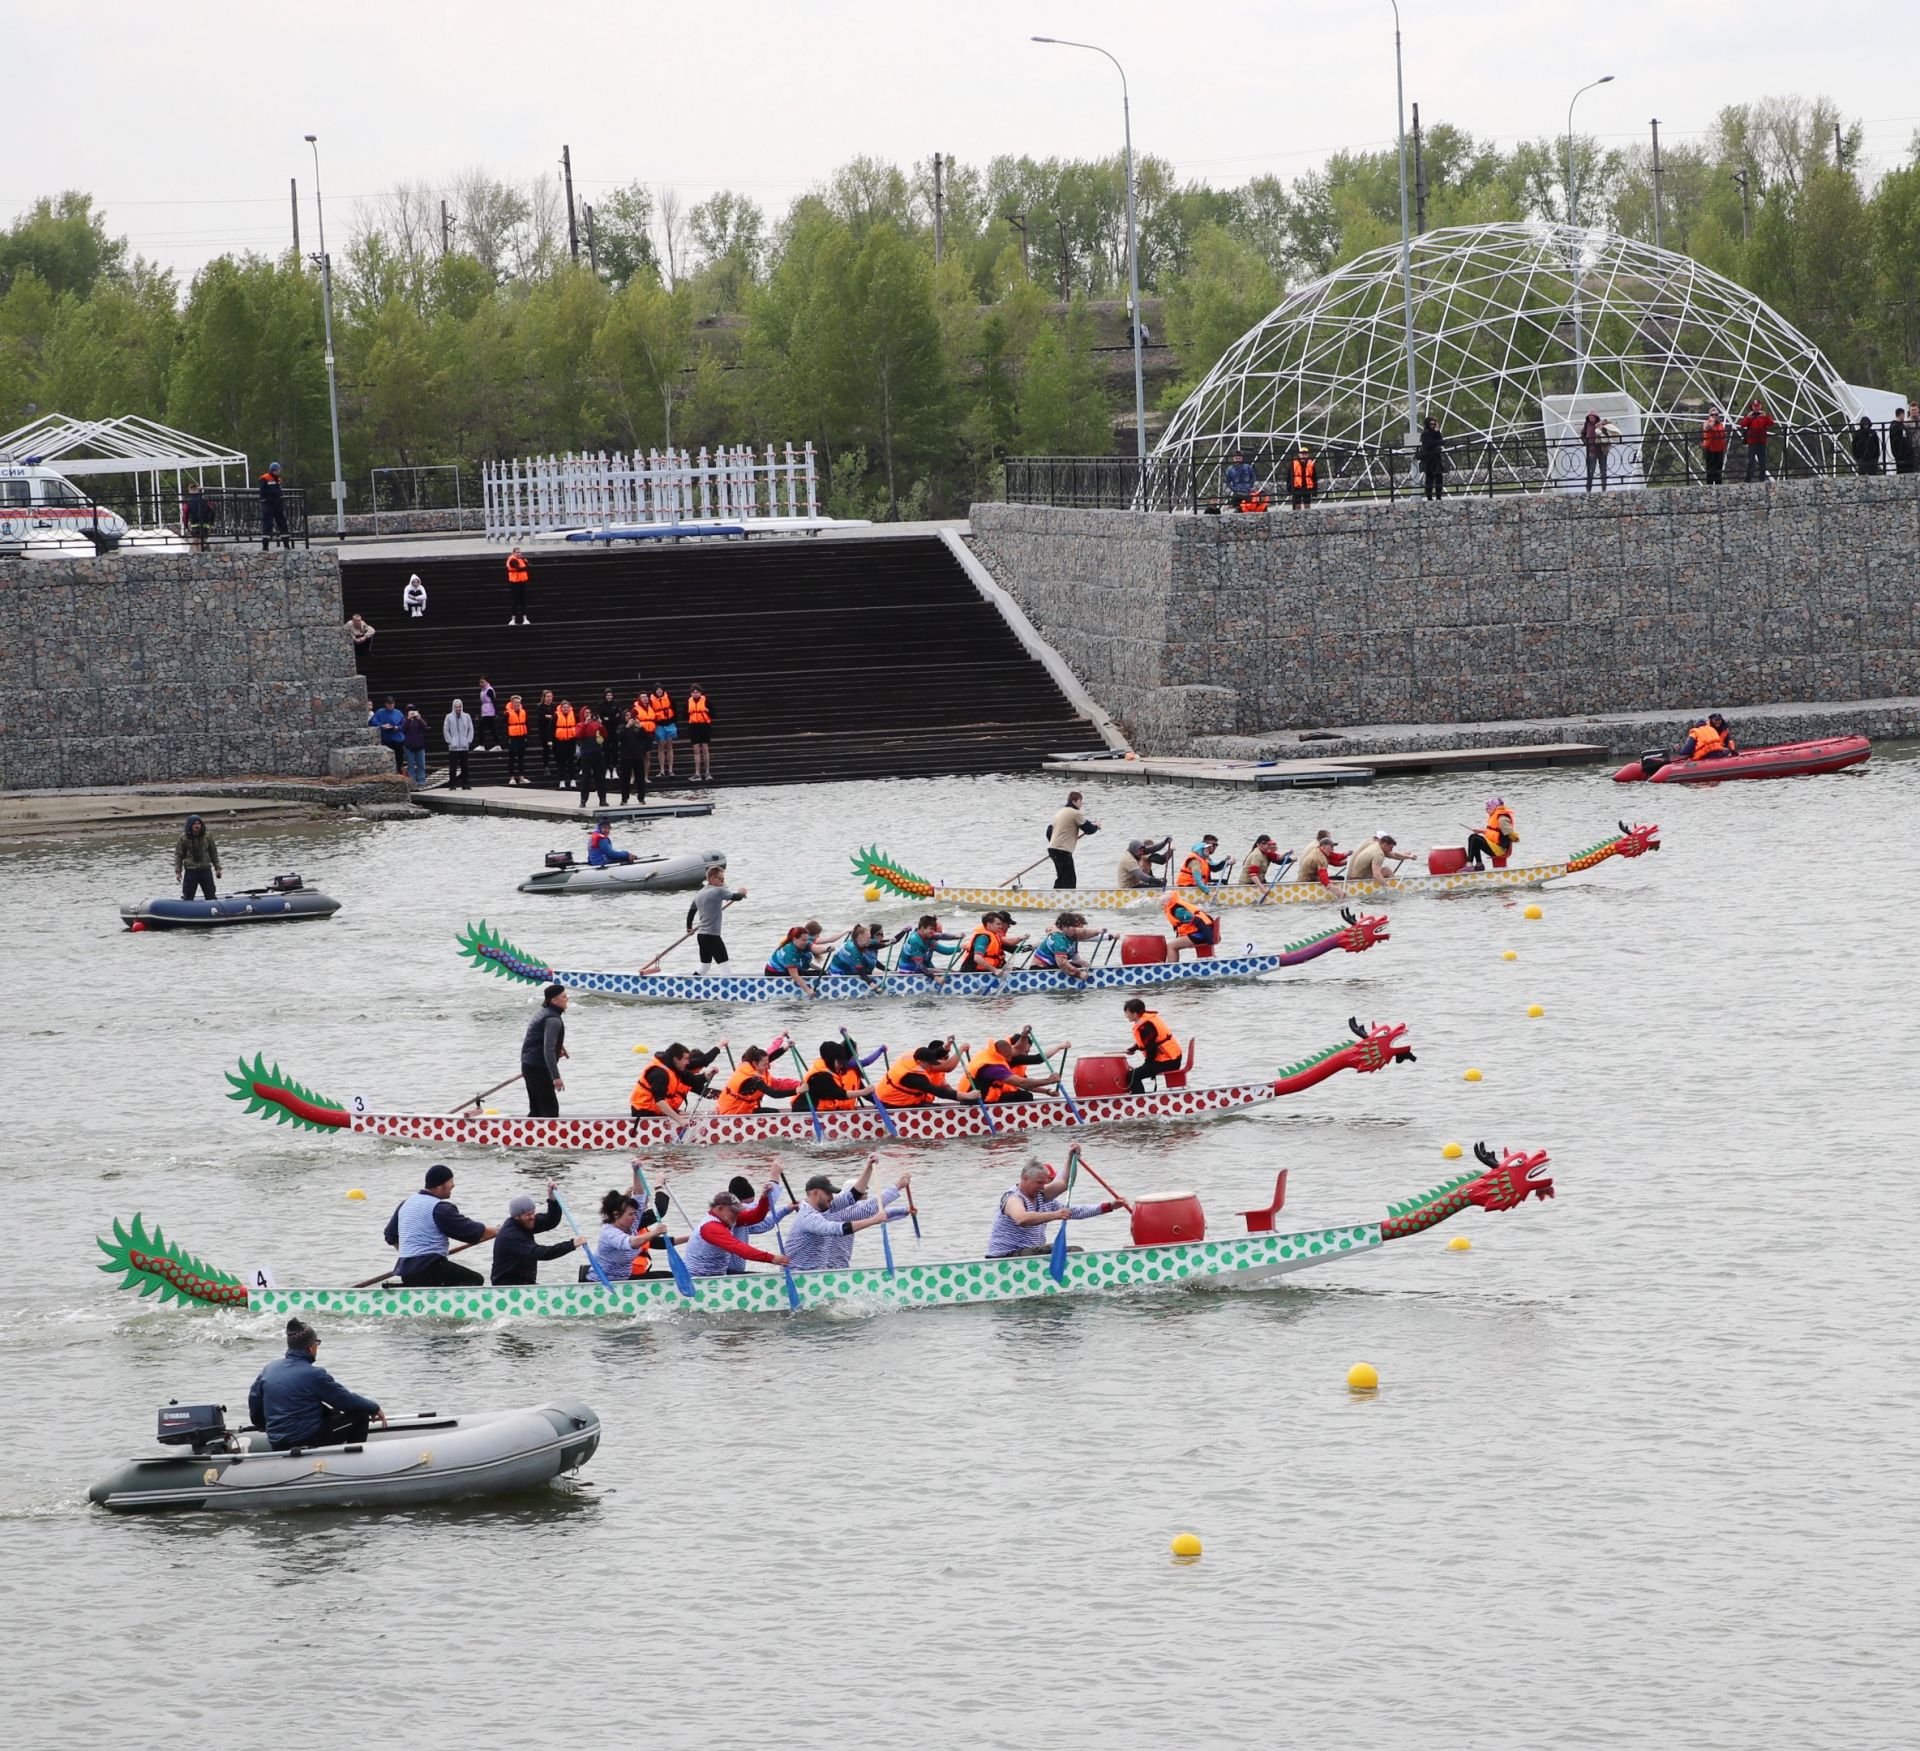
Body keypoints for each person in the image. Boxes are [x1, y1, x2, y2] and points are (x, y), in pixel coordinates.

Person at [248, 1319, 385, 1450]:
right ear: (310, 1347)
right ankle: (353, 1462)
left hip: (277, 1442)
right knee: (360, 1415)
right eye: (316, 1343)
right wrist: (373, 1407)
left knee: (330, 1412)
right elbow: (345, 1401)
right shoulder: (314, 1374)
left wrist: (263, 1425)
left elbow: (255, 1404)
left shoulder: (269, 1369)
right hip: (306, 1440)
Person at [382, 1165, 497, 1287]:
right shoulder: (439, 1208)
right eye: (450, 1181)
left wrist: (411, 1255)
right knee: (474, 1280)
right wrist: (498, 1231)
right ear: (439, 1185)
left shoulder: (406, 1203)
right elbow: (471, 1232)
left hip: (405, 1270)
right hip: (429, 1267)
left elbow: (390, 1235)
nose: (453, 1185)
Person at [787, 1165, 914, 1270]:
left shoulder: (825, 1207)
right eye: (828, 1193)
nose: (831, 1197)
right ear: (815, 1193)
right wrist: (875, 1219)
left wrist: (869, 1166)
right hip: (801, 1275)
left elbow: (852, 1196)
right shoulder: (810, 1217)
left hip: (821, 1272)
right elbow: (840, 1227)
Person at [985, 1160, 1118, 1258]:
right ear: (1025, 1178)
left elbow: (1065, 1185)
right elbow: (1022, 1218)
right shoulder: (1013, 1198)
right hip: (1005, 1257)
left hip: (1027, 1253)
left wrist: (1108, 1207)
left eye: (1045, 1183)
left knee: (1070, 1250)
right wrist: (1056, 1215)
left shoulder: (1042, 1198)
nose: (1043, 1187)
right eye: (1039, 1183)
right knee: (1073, 1252)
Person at [681, 1188, 790, 1277]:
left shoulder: (725, 1217)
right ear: (719, 1208)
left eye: (738, 1211)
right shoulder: (711, 1227)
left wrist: (764, 1198)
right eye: (733, 1211)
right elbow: (740, 1249)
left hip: (717, 1275)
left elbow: (756, 1216)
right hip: (697, 1279)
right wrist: (772, 1258)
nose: (737, 1215)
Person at [490, 1184, 578, 1285]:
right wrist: (572, 1244)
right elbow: (541, 1253)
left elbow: (551, 1221)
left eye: (533, 1213)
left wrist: (553, 1200)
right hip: (507, 1286)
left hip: (525, 1283)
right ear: (516, 1217)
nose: (532, 1217)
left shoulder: (527, 1221)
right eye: (528, 1215)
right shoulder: (511, 1235)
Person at [959, 1028, 1063, 1103]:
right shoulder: (994, 1067)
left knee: (1022, 1095)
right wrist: (1049, 1081)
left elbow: (1017, 1049)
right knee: (1025, 1096)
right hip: (975, 1101)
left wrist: (1024, 1036)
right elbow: (1023, 1083)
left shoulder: (989, 1053)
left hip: (969, 1096)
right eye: (1008, 1057)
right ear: (1002, 1054)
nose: (1009, 1060)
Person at [591, 1186, 668, 1282]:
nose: (635, 1217)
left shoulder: (632, 1224)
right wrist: (659, 1186)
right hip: (603, 1283)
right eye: (631, 1214)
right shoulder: (609, 1233)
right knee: (662, 1278)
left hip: (624, 1280)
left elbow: (639, 1196)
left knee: (667, 1276)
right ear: (616, 1215)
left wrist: (636, 1172)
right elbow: (630, 1243)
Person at [629, 1041, 724, 1119]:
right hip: (645, 1115)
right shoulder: (661, 1073)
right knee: (697, 1116)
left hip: (662, 1111)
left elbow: (703, 1089)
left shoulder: (678, 1072)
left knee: (699, 1114)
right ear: (676, 1060)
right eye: (700, 1068)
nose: (700, 1070)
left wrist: (708, 1076)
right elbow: (703, 1090)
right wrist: (680, 1121)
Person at [874, 1039, 977, 1107]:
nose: (931, 1067)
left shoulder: (915, 1055)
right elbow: (939, 1092)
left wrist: (946, 1046)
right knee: (933, 1106)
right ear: (920, 1062)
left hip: (897, 1099)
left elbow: (934, 1054)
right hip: (889, 1104)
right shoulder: (912, 1077)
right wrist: (967, 1096)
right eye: (929, 1064)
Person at [522, 982, 569, 1117]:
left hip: (529, 1065)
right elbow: (548, 1049)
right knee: (550, 1111)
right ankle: (550, 1136)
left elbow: (538, 1040)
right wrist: (556, 1077)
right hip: (538, 1069)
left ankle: (529, 1136)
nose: (567, 999)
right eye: (564, 996)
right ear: (554, 1000)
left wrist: (558, 1050)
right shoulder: (553, 1019)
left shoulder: (543, 1012)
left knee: (537, 1110)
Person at [686, 864, 744, 972]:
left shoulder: (699, 893)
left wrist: (689, 927)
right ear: (712, 879)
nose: (723, 881)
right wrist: (742, 892)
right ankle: (728, 988)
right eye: (721, 878)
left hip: (701, 936)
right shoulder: (718, 891)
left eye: (724, 879)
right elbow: (737, 897)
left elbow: (692, 911)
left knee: (704, 966)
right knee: (725, 968)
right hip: (712, 936)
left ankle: (690, 985)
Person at [714, 1044, 802, 1113]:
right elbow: (774, 1094)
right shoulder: (753, 1080)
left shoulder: (750, 1065)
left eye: (768, 1063)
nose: (768, 1067)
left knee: (772, 1111)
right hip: (734, 1112)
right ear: (755, 1064)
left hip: (737, 1108)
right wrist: (797, 1091)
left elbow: (770, 1058)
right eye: (765, 1064)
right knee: (774, 1112)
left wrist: (785, 1048)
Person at [1123, 998, 1182, 1092]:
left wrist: (1147, 1066)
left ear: (1135, 1014)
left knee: (1132, 1075)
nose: (1126, 1015)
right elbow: (1150, 1042)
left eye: (1127, 1013)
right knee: (1137, 1072)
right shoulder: (1146, 1020)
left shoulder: (1145, 1027)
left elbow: (1151, 1049)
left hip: (1169, 1061)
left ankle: (1139, 1101)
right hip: (1173, 1058)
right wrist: (1134, 1048)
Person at [794, 1039, 866, 1112]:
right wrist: (864, 1092)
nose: (841, 1065)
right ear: (831, 1060)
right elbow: (840, 1094)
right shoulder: (821, 1075)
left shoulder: (828, 1071)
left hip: (820, 1111)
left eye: (843, 1063)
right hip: (806, 1112)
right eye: (840, 1062)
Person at [1047, 791, 1099, 887]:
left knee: (1062, 877)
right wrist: (1096, 826)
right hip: (1062, 851)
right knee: (1069, 880)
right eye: (1080, 801)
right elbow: (1089, 829)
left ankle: (1055, 898)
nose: (1081, 803)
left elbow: (1048, 832)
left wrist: (1055, 843)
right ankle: (1066, 900)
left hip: (1052, 849)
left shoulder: (1060, 812)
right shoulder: (1075, 813)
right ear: (1074, 801)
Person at [1032, 911, 1101, 981]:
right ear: (1062, 927)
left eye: (1074, 926)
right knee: (1075, 969)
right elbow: (1062, 963)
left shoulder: (1071, 932)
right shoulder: (1058, 939)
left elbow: (1085, 933)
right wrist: (1079, 974)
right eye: (1070, 926)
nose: (1073, 929)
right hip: (1040, 968)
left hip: (1053, 965)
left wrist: (1098, 931)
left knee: (1077, 966)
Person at [958, 910, 1029, 975]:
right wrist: (995, 970)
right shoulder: (983, 938)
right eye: (998, 924)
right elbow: (977, 958)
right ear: (989, 924)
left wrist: (1021, 938)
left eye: (1001, 924)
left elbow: (1011, 943)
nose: (1000, 927)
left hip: (986, 970)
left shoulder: (995, 935)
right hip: (973, 972)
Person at [894, 915, 960, 980]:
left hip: (915, 965)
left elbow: (942, 936)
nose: (933, 932)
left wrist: (957, 936)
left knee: (949, 971)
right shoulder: (915, 941)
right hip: (908, 969)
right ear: (922, 928)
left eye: (934, 929)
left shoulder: (926, 934)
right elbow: (919, 966)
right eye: (931, 929)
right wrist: (936, 978)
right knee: (946, 973)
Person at [174, 812, 222, 900]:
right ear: (190, 825)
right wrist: (178, 872)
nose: (197, 826)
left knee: (211, 895)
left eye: (199, 823)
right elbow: (179, 856)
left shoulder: (207, 836)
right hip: (191, 871)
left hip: (205, 870)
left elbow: (213, 853)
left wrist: (217, 868)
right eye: (195, 824)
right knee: (188, 896)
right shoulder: (184, 838)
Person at [1162, 889, 1218, 959]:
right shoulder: (1174, 906)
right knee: (1173, 944)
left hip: (1200, 935)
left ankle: (1171, 968)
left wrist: (1210, 940)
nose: (1162, 894)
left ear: (1168, 900)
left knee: (1171, 946)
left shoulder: (1177, 910)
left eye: (1164, 894)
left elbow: (1198, 920)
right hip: (1200, 933)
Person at [1465, 798, 1518, 870]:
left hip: (1499, 850)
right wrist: (1481, 831)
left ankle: (1469, 865)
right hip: (1495, 846)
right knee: (1475, 838)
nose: (1486, 810)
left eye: (1488, 807)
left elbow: (1511, 834)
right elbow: (1495, 832)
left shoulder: (1502, 818)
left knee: (1474, 838)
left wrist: (1515, 838)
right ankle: (1479, 864)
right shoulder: (1497, 816)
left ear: (1495, 807)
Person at [766, 925, 820, 991]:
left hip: (784, 970)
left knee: (817, 972)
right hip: (774, 973)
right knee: (806, 973)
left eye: (807, 940)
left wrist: (821, 970)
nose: (806, 942)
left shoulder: (800, 945)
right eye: (804, 940)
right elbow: (794, 975)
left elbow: (808, 964)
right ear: (795, 939)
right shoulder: (790, 951)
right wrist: (808, 990)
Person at [574, 708, 609, 810]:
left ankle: (602, 799)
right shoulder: (580, 725)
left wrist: (601, 725)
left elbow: (605, 735)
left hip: (597, 753)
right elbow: (579, 735)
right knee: (586, 778)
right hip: (586, 754)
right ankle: (583, 800)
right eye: (586, 713)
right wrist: (585, 724)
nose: (588, 715)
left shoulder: (596, 724)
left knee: (600, 778)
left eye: (589, 713)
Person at [616, 709, 650, 806]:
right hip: (625, 757)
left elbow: (647, 737)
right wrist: (627, 727)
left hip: (638, 756)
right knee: (625, 779)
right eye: (627, 715)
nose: (629, 717)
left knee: (640, 778)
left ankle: (641, 798)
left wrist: (641, 727)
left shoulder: (637, 728)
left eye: (630, 716)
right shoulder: (622, 727)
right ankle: (624, 799)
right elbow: (618, 737)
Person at [443, 697, 475, 790]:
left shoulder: (466, 716)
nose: (458, 708)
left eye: (459, 707)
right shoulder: (448, 717)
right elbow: (446, 729)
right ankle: (452, 784)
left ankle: (465, 784)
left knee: (465, 766)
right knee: (453, 767)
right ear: (453, 707)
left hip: (464, 746)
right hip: (453, 747)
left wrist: (468, 740)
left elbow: (470, 728)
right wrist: (450, 741)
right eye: (456, 707)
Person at [259, 461, 291, 550]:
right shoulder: (265, 478)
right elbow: (262, 492)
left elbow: (279, 490)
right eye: (278, 469)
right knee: (268, 524)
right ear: (276, 469)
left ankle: (286, 544)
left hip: (278, 504)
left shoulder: (278, 479)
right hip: (268, 504)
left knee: (282, 523)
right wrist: (272, 495)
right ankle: (265, 546)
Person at [685, 684, 714, 781]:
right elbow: (684, 715)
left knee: (705, 749)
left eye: (697, 692)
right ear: (691, 693)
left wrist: (707, 710)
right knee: (696, 751)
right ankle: (697, 773)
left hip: (704, 726)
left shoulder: (706, 701)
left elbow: (714, 713)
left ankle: (707, 773)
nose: (695, 694)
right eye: (693, 692)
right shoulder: (688, 702)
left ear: (700, 693)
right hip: (694, 727)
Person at [1739, 399, 1773, 482]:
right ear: (1752, 407)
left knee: (1762, 461)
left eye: (1758, 406)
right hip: (1752, 442)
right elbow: (1742, 425)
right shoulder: (1750, 417)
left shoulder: (1763, 416)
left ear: (1760, 406)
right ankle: (1748, 478)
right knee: (1751, 461)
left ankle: (1762, 478)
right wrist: (1748, 417)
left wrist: (1765, 416)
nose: (1756, 408)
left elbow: (1771, 423)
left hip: (1761, 441)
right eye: (1755, 406)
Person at [648, 684, 677, 779]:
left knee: (669, 746)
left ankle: (670, 770)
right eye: (657, 690)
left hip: (669, 724)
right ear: (655, 691)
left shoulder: (668, 697)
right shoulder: (651, 700)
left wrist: (674, 721)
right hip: (659, 725)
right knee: (661, 747)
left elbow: (674, 708)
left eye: (660, 689)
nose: (659, 691)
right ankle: (662, 770)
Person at [1417, 415, 1447, 500]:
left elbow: (1441, 441)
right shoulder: (1425, 433)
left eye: (1434, 424)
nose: (1433, 426)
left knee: (1439, 477)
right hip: (1428, 459)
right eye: (1431, 424)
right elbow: (1429, 444)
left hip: (1436, 458)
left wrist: (1437, 431)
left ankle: (1438, 496)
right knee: (1429, 478)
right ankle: (1429, 497)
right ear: (1427, 424)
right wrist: (1436, 440)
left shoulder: (1434, 432)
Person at [1581, 411, 1612, 492]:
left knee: (1603, 470)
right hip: (1592, 451)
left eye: (1592, 417)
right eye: (1590, 418)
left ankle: (1604, 489)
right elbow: (1582, 435)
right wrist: (1586, 443)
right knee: (1591, 471)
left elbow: (1608, 434)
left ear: (1596, 417)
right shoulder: (1587, 424)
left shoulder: (1601, 424)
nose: (1591, 419)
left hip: (1602, 450)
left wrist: (1603, 430)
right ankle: (1588, 489)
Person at [504, 693, 530, 785]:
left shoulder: (523, 712)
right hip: (512, 738)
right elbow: (503, 726)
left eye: (519, 702)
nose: (518, 704)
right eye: (516, 702)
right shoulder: (507, 713)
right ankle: (511, 777)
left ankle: (521, 777)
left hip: (522, 737)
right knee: (512, 758)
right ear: (512, 703)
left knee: (521, 758)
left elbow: (527, 724)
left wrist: (526, 736)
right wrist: (507, 737)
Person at [401, 704, 430, 786]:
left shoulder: (418, 719)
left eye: (413, 710)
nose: (411, 712)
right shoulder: (405, 720)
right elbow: (402, 729)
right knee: (411, 766)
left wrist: (419, 718)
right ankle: (412, 782)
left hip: (420, 745)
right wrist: (408, 719)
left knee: (421, 764)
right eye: (409, 710)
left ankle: (421, 781)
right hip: (409, 746)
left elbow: (425, 727)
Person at [1701, 409, 1730, 486]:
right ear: (1709, 416)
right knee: (1710, 468)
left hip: (1719, 449)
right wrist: (1712, 422)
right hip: (1710, 448)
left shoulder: (1720, 425)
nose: (1714, 416)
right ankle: (1709, 485)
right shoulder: (1707, 423)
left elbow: (1724, 434)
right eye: (1712, 415)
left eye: (1716, 415)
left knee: (1718, 468)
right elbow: (1706, 429)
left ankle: (1718, 484)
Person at [553, 698, 578, 786]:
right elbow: (551, 728)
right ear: (561, 708)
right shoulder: (556, 716)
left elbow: (577, 726)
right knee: (561, 762)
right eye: (564, 707)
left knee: (571, 761)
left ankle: (573, 780)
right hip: (560, 741)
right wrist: (550, 740)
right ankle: (562, 780)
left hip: (571, 740)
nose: (566, 709)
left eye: (567, 707)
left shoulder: (573, 715)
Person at [536, 689, 559, 783]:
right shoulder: (540, 707)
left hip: (554, 731)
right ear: (544, 697)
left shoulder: (554, 706)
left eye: (550, 696)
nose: (549, 698)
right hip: (544, 731)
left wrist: (549, 717)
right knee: (546, 749)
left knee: (557, 749)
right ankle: (546, 767)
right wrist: (549, 717)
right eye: (547, 697)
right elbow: (542, 717)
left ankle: (559, 766)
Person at [185, 482, 214, 551]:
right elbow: (212, 512)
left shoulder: (188, 502)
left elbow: (185, 514)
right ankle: (203, 554)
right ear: (198, 490)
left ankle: (196, 557)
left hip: (194, 524)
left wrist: (186, 524)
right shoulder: (206, 500)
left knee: (195, 543)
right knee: (203, 541)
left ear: (189, 490)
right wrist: (211, 524)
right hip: (205, 523)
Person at [1289, 446, 1319, 510]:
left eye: (1305, 454)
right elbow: (1289, 476)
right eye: (1302, 454)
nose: (1304, 455)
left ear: (1307, 455)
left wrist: (1315, 489)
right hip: (1297, 487)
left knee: (1307, 503)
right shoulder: (1294, 463)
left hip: (1307, 486)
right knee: (1297, 504)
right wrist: (1289, 488)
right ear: (1299, 454)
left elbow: (1314, 477)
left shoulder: (1311, 463)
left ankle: (1308, 515)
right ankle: (1297, 516)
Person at [506, 547, 530, 625]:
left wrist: (526, 565)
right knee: (515, 601)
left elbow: (527, 565)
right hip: (515, 582)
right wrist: (526, 567)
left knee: (523, 600)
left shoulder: (522, 559)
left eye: (520, 552)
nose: (519, 554)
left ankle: (525, 619)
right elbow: (519, 568)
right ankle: (513, 620)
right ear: (513, 553)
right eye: (517, 552)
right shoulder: (512, 560)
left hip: (522, 582)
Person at [476, 676, 500, 750]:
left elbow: (493, 701)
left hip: (489, 712)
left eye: (483, 682)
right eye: (480, 682)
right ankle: (497, 745)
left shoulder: (489, 690)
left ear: (487, 682)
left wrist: (496, 712)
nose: (481, 684)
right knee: (492, 728)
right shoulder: (483, 690)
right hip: (485, 710)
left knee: (481, 727)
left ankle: (481, 745)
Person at [1891, 409, 1915, 475]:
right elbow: (1896, 442)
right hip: (1901, 455)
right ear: (1901, 414)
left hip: (1906, 455)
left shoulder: (1901, 425)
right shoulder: (1895, 426)